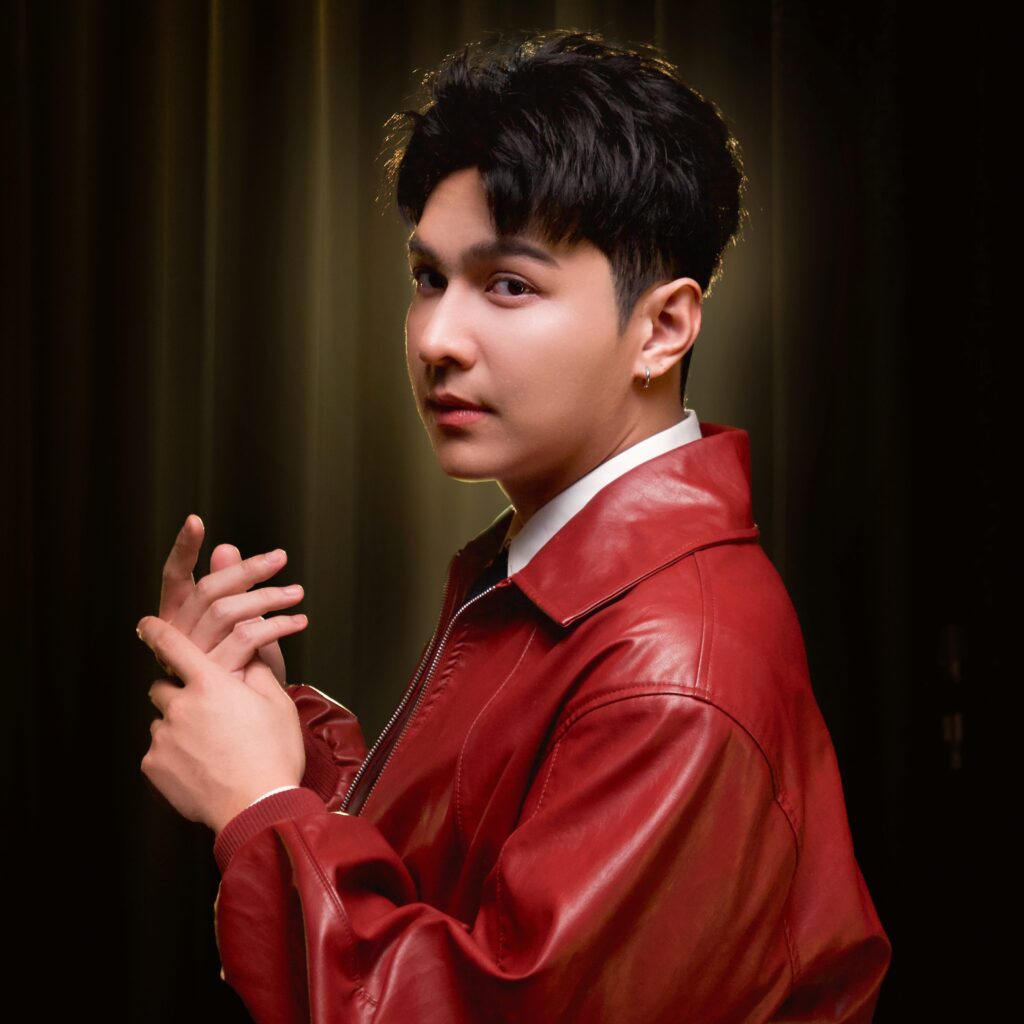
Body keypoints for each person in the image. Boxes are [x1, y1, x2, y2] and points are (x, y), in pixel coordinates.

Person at [136, 29, 891, 1023]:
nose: (438, 339)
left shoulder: (673, 673)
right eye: (428, 278)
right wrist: (278, 738)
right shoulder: (559, 557)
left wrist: (256, 807)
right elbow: (464, 880)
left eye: (509, 285)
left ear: (662, 328)